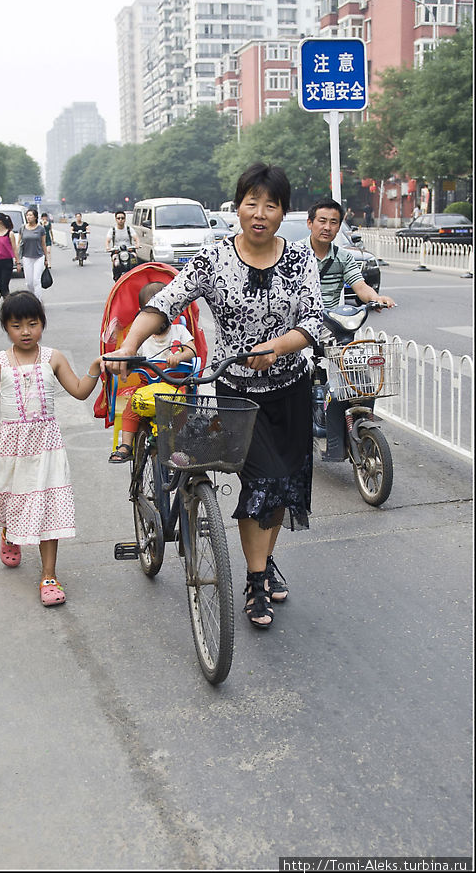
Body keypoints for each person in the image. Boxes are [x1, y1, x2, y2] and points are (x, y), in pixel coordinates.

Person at [104, 162, 323, 629]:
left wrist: (276, 347)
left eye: (271, 205)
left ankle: (263, 561)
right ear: (237, 206)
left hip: (291, 388)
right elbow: (164, 304)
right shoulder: (212, 258)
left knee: (283, 487)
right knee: (261, 483)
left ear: (283, 211)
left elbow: (313, 322)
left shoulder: (302, 258)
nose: (260, 213)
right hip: (238, 393)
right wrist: (128, 346)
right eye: (252, 202)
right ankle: (256, 581)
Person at [0, 291, 102, 607]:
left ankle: (49, 576)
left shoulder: (53, 358)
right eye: (18, 325)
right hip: (11, 447)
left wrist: (95, 370)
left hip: (47, 447)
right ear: (6, 327)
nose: (26, 331)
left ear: (42, 324)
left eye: (33, 324)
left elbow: (79, 391)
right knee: (14, 500)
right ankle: (10, 533)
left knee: (47, 507)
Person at [107, 281, 196, 463]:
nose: (159, 318)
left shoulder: (179, 331)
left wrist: (179, 357)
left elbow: (192, 350)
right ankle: (126, 445)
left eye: (163, 313)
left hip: (175, 385)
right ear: (143, 314)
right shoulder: (140, 337)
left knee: (182, 412)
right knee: (131, 408)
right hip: (147, 385)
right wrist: (127, 365)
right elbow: (130, 358)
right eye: (152, 313)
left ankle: (180, 445)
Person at [301, 199, 396, 312]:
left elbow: (360, 286)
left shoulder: (343, 257)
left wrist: (376, 298)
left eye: (333, 222)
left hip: (329, 324)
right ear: (309, 223)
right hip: (297, 324)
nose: (327, 227)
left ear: (339, 227)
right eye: (322, 221)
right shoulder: (293, 253)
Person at [16, 207, 49, 300]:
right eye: (27, 215)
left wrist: (46, 259)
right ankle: (32, 299)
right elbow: (18, 243)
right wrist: (17, 258)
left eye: (31, 215)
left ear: (35, 217)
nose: (28, 217)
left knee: (36, 281)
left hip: (39, 256)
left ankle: (38, 301)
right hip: (27, 257)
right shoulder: (22, 228)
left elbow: (43, 244)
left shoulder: (41, 229)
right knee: (29, 282)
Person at [0, 212, 21, 299]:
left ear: (0, 222)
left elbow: (14, 249)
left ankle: (8, 302)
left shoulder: (9, 233)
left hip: (6, 262)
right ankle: (7, 300)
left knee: (4, 284)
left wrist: (18, 262)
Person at [105, 209, 139, 277]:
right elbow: (108, 240)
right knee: (116, 262)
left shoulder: (129, 229)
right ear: (116, 219)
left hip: (129, 250)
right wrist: (107, 247)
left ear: (125, 219)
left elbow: (136, 238)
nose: (120, 220)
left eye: (122, 218)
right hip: (117, 251)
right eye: (118, 218)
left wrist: (137, 244)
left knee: (134, 259)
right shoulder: (112, 230)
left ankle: (135, 276)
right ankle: (116, 277)